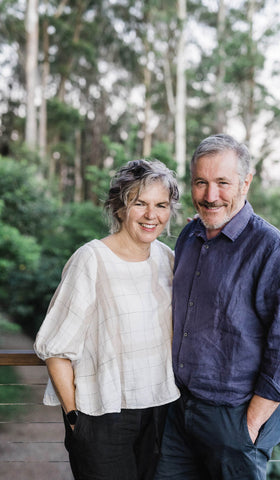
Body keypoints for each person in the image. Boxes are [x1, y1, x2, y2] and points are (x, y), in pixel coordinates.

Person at [154, 134, 280, 480]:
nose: (210, 196)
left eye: (222, 183)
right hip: (179, 411)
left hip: (235, 416)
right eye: (201, 183)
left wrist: (250, 423)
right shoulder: (190, 236)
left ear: (246, 183)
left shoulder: (271, 249)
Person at [34, 159, 181, 480]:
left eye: (161, 205)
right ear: (118, 207)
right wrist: (75, 419)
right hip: (101, 415)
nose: (151, 215)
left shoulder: (166, 258)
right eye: (139, 203)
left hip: (160, 411)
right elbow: (56, 349)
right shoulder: (91, 260)